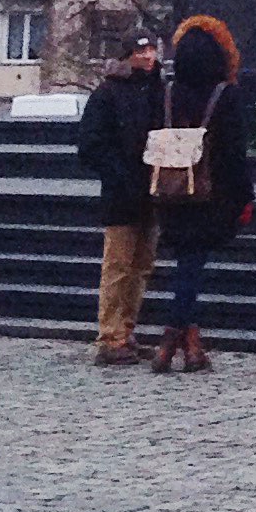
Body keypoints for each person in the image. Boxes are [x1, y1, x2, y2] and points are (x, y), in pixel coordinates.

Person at [151, 14, 252, 375]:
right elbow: (235, 153)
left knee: (186, 263)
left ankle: (191, 344)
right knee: (191, 267)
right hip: (211, 194)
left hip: (170, 191)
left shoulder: (166, 93)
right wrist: (244, 197)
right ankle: (169, 341)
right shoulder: (225, 95)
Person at [77, 32, 166, 366]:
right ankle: (110, 336)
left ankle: (126, 331)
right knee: (118, 267)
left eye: (151, 49)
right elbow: (90, 146)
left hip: (152, 193)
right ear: (128, 55)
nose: (147, 56)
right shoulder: (107, 94)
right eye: (141, 50)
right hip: (122, 193)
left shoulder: (159, 91)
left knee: (141, 267)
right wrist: (120, 174)